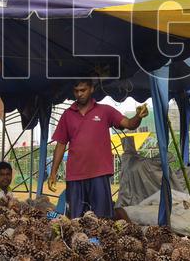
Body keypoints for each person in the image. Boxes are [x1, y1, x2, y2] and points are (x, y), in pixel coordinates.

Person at [46, 79, 147, 218]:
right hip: (75, 176)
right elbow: (61, 144)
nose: (79, 94)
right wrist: (53, 173)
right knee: (76, 219)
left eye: (83, 90)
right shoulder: (67, 115)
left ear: (92, 89)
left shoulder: (105, 111)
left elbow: (129, 124)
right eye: (76, 91)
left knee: (102, 218)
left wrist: (138, 117)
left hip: (99, 174)